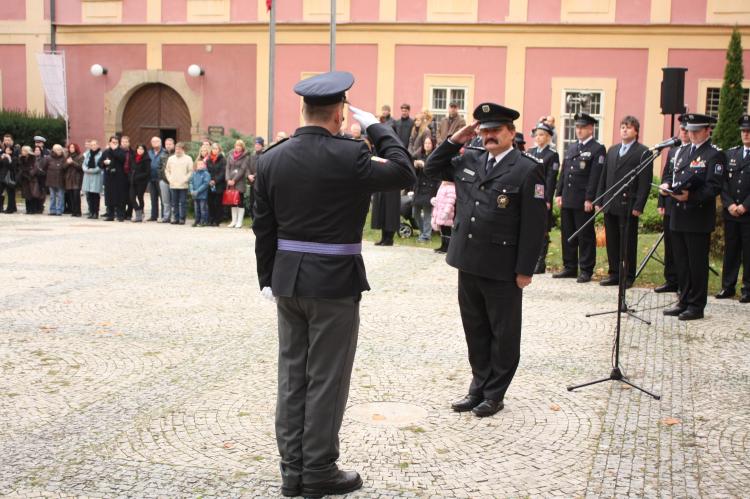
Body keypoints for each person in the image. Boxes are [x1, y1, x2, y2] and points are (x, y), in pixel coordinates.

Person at [252, 71, 414, 498]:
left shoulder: (270, 159)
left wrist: (268, 279)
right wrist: (379, 128)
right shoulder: (351, 156)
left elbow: (263, 230)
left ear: (302, 110)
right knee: (326, 377)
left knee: (292, 376)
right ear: (341, 113)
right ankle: (319, 470)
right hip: (334, 284)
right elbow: (404, 172)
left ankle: (292, 471)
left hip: (287, 281)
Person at [425, 102, 546, 417]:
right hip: (468, 260)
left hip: (502, 265)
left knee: (503, 333)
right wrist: (455, 139)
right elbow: (432, 168)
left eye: (495, 130)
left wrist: (525, 269)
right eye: (484, 130)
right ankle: (477, 387)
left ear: (511, 132)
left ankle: (495, 393)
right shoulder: (472, 158)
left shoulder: (527, 168)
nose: (489, 135)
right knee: (475, 329)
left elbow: (534, 226)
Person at [660, 113, 724, 320]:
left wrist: (692, 196)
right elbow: (671, 174)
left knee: (696, 263)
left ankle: (696, 305)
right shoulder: (681, 151)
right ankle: (684, 300)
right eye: (690, 131)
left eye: (697, 131)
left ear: (707, 130)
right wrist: (667, 186)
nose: (692, 135)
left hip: (697, 217)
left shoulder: (714, 154)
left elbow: (714, 187)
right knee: (681, 261)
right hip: (678, 214)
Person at [595, 116, 650, 288]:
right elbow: (603, 176)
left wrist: (639, 205)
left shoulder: (643, 152)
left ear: (636, 131)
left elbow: (645, 181)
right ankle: (614, 273)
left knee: (628, 242)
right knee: (612, 241)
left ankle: (628, 275)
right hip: (611, 202)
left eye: (628, 127)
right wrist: (600, 199)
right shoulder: (612, 150)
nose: (624, 130)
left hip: (628, 205)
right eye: (622, 127)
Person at [553, 113, 606, 283]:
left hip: (583, 199)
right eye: (577, 127)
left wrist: (590, 198)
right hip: (568, 197)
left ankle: (586, 269)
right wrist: (559, 193)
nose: (579, 130)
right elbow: (564, 172)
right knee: (567, 233)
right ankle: (569, 267)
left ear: (591, 128)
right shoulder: (572, 147)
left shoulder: (597, 149)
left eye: (582, 127)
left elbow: (594, 176)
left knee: (585, 235)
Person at [716, 114, 750, 303]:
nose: (746, 134)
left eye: (749, 131)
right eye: (744, 131)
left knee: (748, 251)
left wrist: (745, 206)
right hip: (732, 213)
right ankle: (727, 286)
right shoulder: (731, 154)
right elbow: (723, 183)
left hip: (748, 213)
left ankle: (748, 289)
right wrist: (729, 204)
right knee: (731, 250)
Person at [655, 117, 690, 293]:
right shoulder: (673, 151)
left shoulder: (693, 152)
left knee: (680, 246)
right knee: (669, 244)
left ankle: (683, 282)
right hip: (670, 203)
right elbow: (666, 175)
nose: (683, 131)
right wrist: (662, 200)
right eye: (681, 129)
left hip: (685, 204)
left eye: (686, 129)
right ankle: (671, 279)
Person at [528, 122, 560, 273]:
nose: (538, 137)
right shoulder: (530, 151)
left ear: (548, 137)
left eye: (542, 135)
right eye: (537, 134)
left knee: (542, 229)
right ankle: (530, 259)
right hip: (529, 195)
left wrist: (547, 199)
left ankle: (540, 262)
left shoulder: (552, 155)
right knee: (530, 228)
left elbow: (550, 179)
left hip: (541, 196)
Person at [411, 135, 440, 242]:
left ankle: (426, 236)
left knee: (427, 213)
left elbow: (434, 172)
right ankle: (424, 232)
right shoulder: (419, 155)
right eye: (425, 143)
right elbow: (415, 173)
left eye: (429, 143)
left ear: (433, 145)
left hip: (430, 187)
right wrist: (416, 166)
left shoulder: (435, 156)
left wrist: (424, 165)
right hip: (418, 188)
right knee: (415, 213)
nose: (427, 145)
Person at [165, 142, 193, 225]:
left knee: (183, 202)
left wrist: (185, 179)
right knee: (174, 203)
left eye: (179, 149)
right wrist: (170, 179)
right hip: (173, 184)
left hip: (183, 185)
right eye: (176, 149)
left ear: (183, 149)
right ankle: (175, 218)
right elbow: (167, 170)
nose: (177, 150)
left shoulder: (188, 158)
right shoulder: (171, 159)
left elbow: (190, 171)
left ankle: (182, 218)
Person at [225, 139, 251, 228]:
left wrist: (234, 180)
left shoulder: (245, 157)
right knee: (232, 202)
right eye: (237, 146)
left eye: (240, 146)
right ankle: (233, 221)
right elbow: (227, 168)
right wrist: (228, 179)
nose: (238, 147)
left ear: (242, 147)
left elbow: (242, 170)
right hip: (230, 181)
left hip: (239, 182)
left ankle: (239, 222)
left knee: (240, 201)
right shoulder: (230, 155)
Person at [431, 180, 456, 253]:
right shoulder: (442, 186)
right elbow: (439, 197)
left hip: (446, 213)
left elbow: (450, 202)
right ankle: (443, 246)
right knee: (443, 230)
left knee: (447, 230)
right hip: (440, 212)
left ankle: (448, 247)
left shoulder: (451, 187)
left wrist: (446, 212)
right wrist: (434, 200)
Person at [82, 139, 104, 219]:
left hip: (96, 176)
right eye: (92, 145)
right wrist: (87, 169)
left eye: (95, 144)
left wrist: (93, 170)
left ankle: (95, 212)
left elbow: (100, 166)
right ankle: (91, 212)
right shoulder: (87, 154)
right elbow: (84, 164)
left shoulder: (101, 154)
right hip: (88, 176)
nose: (93, 146)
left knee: (95, 195)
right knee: (89, 195)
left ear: (98, 145)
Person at [206, 142, 227, 226]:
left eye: (216, 149)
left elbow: (223, 172)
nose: (215, 150)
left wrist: (215, 180)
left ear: (219, 150)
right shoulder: (208, 160)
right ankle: (211, 219)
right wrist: (209, 180)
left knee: (217, 203)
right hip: (210, 184)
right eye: (213, 148)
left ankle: (217, 220)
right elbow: (207, 171)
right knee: (210, 203)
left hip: (219, 185)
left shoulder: (223, 159)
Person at [147, 137, 168, 221]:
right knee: (153, 198)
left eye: (157, 141)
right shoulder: (149, 152)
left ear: (160, 142)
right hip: (151, 178)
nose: (155, 143)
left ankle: (163, 216)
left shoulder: (165, 152)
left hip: (161, 179)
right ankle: (153, 216)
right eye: (153, 141)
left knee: (163, 198)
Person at [43, 144, 67, 215]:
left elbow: (66, 168)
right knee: (52, 197)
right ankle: (52, 210)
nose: (59, 151)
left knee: (60, 196)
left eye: (60, 149)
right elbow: (44, 167)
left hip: (61, 179)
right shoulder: (48, 158)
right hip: (51, 180)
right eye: (57, 149)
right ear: (53, 150)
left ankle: (59, 210)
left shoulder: (64, 158)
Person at [19, 146, 44, 214]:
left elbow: (35, 168)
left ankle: (33, 209)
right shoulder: (21, 159)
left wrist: (30, 174)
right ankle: (28, 209)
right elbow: (21, 168)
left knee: (33, 194)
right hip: (25, 179)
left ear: (27, 152)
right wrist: (23, 174)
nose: (22, 152)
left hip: (32, 179)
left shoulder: (33, 158)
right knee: (27, 195)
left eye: (23, 151)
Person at [129, 144, 150, 222]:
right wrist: (131, 176)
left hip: (142, 182)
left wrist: (137, 176)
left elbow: (147, 172)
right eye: (138, 149)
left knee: (140, 197)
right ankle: (139, 212)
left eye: (142, 149)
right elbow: (130, 169)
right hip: (133, 181)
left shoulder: (147, 159)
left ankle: (140, 215)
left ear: (144, 150)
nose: (140, 150)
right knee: (132, 198)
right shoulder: (133, 157)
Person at [63, 143, 84, 217]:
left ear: (76, 148)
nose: (71, 149)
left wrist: (72, 162)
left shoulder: (80, 156)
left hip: (76, 178)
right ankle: (73, 211)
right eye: (70, 147)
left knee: (76, 196)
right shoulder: (67, 156)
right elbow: (63, 167)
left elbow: (80, 167)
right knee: (71, 196)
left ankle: (78, 211)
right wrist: (67, 163)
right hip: (68, 178)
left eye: (73, 147)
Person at [158, 138, 175, 223]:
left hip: (174, 181)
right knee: (165, 201)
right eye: (167, 144)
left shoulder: (176, 154)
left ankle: (173, 217)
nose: (168, 146)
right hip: (163, 181)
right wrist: (161, 177)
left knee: (174, 201)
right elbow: (159, 167)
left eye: (170, 144)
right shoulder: (162, 155)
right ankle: (166, 217)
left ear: (173, 145)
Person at [247, 136, 264, 219]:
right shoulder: (252, 156)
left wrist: (254, 175)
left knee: (258, 203)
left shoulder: (264, 155)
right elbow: (247, 167)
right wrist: (248, 175)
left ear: (262, 146)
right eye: (256, 144)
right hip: (252, 182)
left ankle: (258, 220)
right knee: (252, 202)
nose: (257, 146)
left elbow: (263, 168)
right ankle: (253, 219)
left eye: (259, 144)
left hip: (259, 183)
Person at [189, 159, 210, 227]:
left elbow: (205, 184)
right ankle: (197, 220)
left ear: (204, 165)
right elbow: (191, 182)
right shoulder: (194, 173)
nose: (200, 165)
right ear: (196, 166)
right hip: (195, 195)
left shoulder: (206, 174)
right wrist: (191, 190)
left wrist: (197, 191)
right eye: (199, 164)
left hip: (202, 195)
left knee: (203, 209)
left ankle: (203, 221)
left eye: (202, 164)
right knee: (196, 209)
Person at [0, 144, 18, 213]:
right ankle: (0, 207)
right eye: (6, 150)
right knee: (1, 193)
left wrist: (9, 159)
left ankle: (10, 208)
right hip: (2, 177)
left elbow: (13, 168)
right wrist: (1, 158)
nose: (7, 151)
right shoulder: (2, 156)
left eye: (9, 150)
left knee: (10, 194)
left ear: (11, 151)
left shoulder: (14, 158)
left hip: (10, 177)